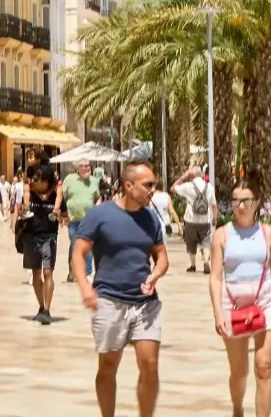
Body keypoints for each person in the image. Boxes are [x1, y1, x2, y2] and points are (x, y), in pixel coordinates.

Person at [73, 162, 170, 417]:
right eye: (148, 185)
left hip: (145, 302)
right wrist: (84, 286)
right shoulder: (100, 215)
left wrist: (156, 274)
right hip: (109, 301)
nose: (153, 190)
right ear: (129, 186)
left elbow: (161, 256)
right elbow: (79, 252)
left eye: (154, 185)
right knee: (108, 366)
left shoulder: (151, 218)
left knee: (150, 365)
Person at [209, 181, 271, 417]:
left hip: (266, 302)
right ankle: (237, 409)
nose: (241, 206)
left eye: (247, 200)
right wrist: (218, 312)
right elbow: (216, 277)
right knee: (239, 371)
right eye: (236, 200)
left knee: (264, 366)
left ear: (257, 203)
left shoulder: (268, 233)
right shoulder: (222, 234)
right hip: (234, 304)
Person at [20, 165, 62, 321]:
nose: (35, 182)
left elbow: (64, 215)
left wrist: (60, 216)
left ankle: (47, 309)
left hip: (49, 236)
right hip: (31, 236)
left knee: (47, 272)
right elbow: (21, 210)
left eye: (39, 180)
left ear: (46, 181)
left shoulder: (56, 194)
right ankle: (41, 306)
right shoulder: (29, 192)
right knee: (36, 274)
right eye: (34, 180)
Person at [60, 159, 103, 281]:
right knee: (75, 245)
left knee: (87, 245)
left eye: (88, 166)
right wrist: (62, 214)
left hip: (89, 220)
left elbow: (97, 197)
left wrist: (98, 211)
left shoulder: (94, 181)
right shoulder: (69, 179)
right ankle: (73, 270)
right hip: (73, 220)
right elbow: (62, 196)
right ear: (77, 168)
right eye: (84, 166)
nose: (87, 168)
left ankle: (87, 273)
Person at [174, 167, 216, 273]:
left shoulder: (188, 186)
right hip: (205, 220)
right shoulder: (209, 187)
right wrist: (215, 217)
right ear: (202, 175)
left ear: (191, 176)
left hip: (190, 219)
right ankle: (206, 261)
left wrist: (183, 177)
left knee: (191, 242)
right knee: (205, 241)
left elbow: (173, 188)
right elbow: (214, 205)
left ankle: (193, 265)